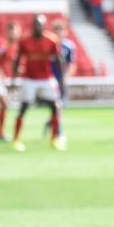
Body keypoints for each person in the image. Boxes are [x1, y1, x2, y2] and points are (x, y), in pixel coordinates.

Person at [10, 15, 61, 152]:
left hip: (46, 78)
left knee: (55, 107)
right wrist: (14, 79)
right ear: (33, 26)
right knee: (24, 107)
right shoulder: (24, 40)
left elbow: (58, 60)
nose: (38, 27)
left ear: (44, 26)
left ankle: (55, 139)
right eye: (36, 25)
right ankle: (16, 139)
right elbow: (17, 59)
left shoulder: (51, 40)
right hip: (29, 79)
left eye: (40, 25)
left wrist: (61, 80)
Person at [42, 18, 76, 149]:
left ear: (65, 32)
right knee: (58, 107)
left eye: (60, 30)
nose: (58, 33)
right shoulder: (48, 44)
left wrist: (66, 77)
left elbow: (71, 64)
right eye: (56, 30)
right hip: (50, 80)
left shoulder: (69, 46)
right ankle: (58, 133)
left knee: (59, 107)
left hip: (61, 80)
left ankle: (50, 122)